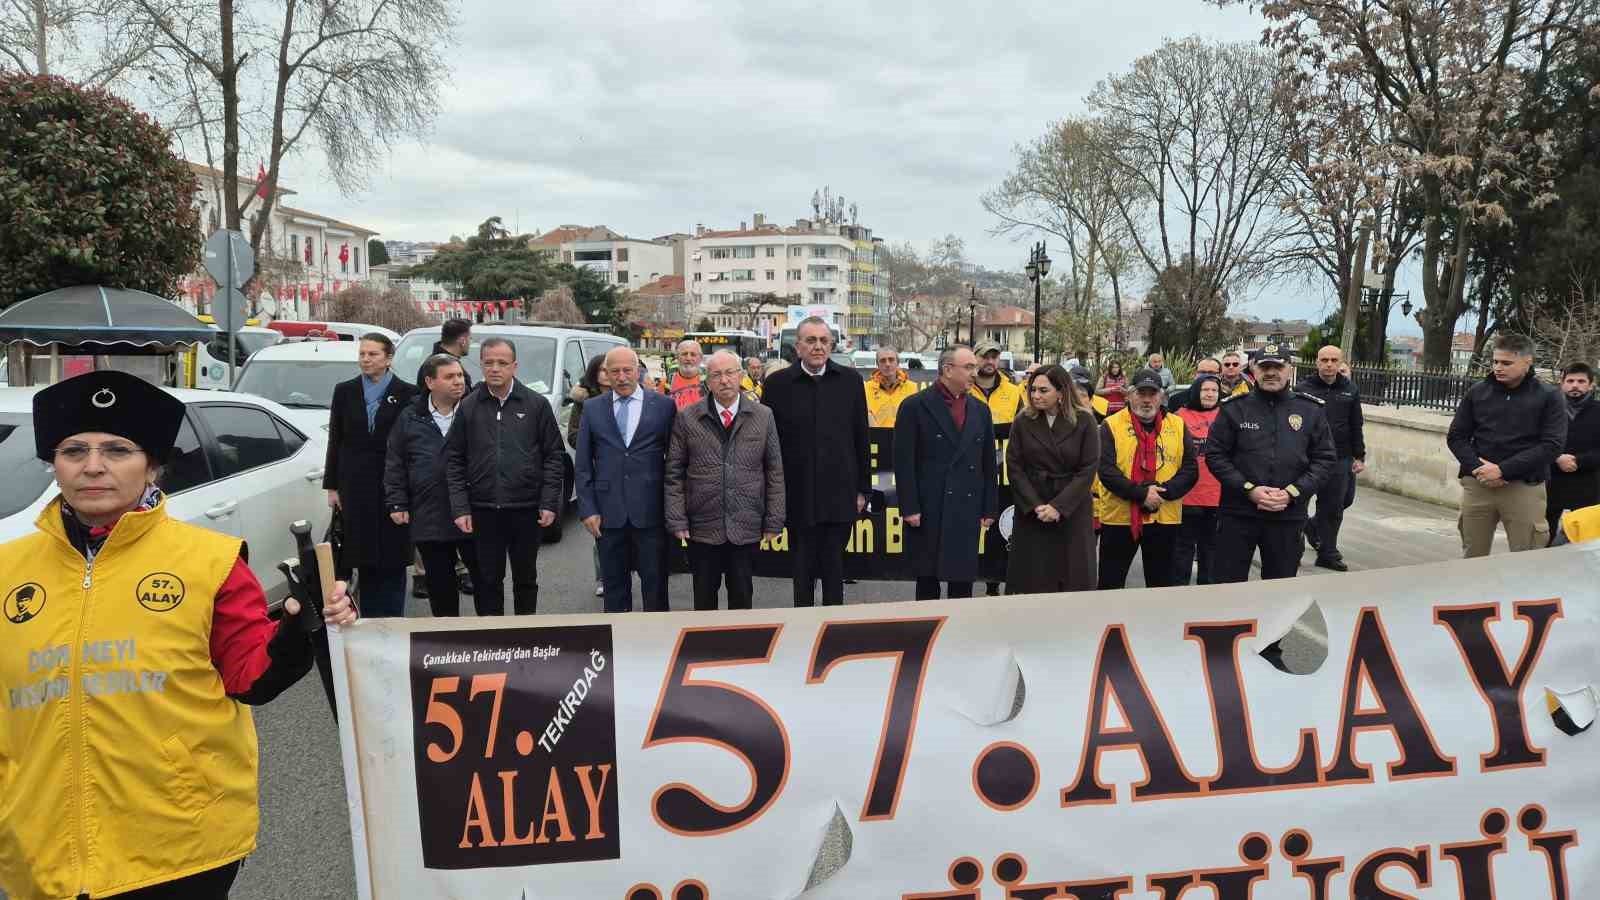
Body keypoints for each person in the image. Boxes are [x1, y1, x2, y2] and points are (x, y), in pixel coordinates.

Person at [0, 370, 354, 900]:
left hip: (179, 844)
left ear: (153, 467)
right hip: (36, 841)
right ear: (55, 464)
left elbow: (251, 678)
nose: (93, 466)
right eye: (75, 450)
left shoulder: (207, 561)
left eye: (117, 450)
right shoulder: (8, 568)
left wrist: (298, 630)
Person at [445, 337, 565, 615]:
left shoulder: (536, 405)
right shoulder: (469, 406)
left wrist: (548, 503)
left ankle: (525, 637)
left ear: (515, 366)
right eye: (488, 363)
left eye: (502, 363)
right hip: (484, 511)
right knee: (487, 581)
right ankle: (493, 640)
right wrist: (461, 508)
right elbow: (454, 460)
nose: (495, 368)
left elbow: (553, 457)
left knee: (526, 579)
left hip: (526, 510)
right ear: (481, 365)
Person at [1206, 345, 1339, 582]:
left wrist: (1292, 492)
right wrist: (1249, 490)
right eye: (1264, 366)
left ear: (1289, 370)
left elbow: (1325, 459)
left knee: (1279, 593)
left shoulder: (1310, 410)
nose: (1271, 373)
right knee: (1226, 588)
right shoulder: (1234, 408)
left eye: (1277, 366)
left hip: (1287, 516)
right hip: (1238, 513)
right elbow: (1216, 455)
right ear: (1254, 370)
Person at [762, 316, 870, 606]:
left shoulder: (850, 381)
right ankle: (803, 634)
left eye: (824, 341)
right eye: (811, 340)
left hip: (840, 495)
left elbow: (861, 437)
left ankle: (832, 634)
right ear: (797, 347)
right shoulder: (777, 385)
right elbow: (768, 446)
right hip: (797, 496)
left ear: (831, 345)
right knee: (802, 574)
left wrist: (863, 490)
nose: (818, 346)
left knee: (835, 574)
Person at [665, 351, 785, 609]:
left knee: (742, 599)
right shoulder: (687, 417)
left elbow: (774, 471)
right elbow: (674, 471)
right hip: (702, 526)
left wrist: (774, 520)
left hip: (746, 524)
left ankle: (740, 649)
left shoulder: (763, 416)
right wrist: (677, 517)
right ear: (706, 380)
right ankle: (704, 649)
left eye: (730, 373)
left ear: (740, 376)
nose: (724, 380)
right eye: (716, 374)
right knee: (704, 601)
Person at [1446, 333, 1567, 556]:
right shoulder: (1478, 392)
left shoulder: (1549, 397)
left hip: (1524, 487)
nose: (1498, 367)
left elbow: (1552, 445)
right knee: (1473, 554)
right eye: (1495, 362)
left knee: (1526, 556)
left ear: (1527, 361)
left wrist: (1503, 470)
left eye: (1506, 363)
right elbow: (1456, 436)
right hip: (1479, 484)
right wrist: (1478, 468)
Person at [576, 346, 677, 613]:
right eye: (615, 371)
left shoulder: (664, 406)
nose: (621, 377)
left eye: (627, 370)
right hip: (608, 514)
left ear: (638, 371)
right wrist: (588, 509)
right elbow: (584, 464)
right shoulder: (592, 408)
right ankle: (618, 646)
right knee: (615, 589)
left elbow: (675, 462)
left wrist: (674, 510)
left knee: (655, 587)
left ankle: (658, 645)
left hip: (651, 512)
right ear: (606, 374)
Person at [325, 333, 419, 616]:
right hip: (355, 485)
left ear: (388, 358)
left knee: (391, 557)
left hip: (393, 486)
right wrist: (332, 486)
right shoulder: (345, 391)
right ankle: (367, 620)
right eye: (362, 354)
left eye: (373, 354)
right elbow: (335, 439)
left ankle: (391, 619)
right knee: (362, 554)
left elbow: (412, 445)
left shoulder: (408, 394)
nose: (365, 359)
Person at [894, 346, 998, 599]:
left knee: (962, 582)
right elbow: (903, 462)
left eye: (974, 366)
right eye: (969, 367)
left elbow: (987, 463)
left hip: (966, 506)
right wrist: (910, 507)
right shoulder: (914, 406)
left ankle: (959, 634)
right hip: (930, 507)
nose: (975, 373)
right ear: (947, 370)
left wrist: (989, 508)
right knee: (927, 580)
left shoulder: (980, 410)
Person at [386, 353, 485, 617]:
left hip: (474, 511)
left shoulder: (477, 410)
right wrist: (397, 502)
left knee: (485, 581)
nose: (458, 382)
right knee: (440, 585)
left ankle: (490, 639)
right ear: (430, 382)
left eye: (460, 375)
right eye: (449, 377)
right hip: (429, 513)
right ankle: (448, 643)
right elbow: (395, 461)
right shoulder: (410, 416)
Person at [1096, 369, 1198, 589]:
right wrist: (1141, 494)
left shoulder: (1178, 425)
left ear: (1161, 396)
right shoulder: (1111, 425)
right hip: (1120, 518)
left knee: (1161, 585)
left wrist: (1162, 492)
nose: (1146, 399)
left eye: (1152, 394)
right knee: (1110, 584)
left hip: (1164, 516)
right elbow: (1106, 470)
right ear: (1130, 395)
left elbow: (1190, 469)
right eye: (1141, 393)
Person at [1006, 365, 1100, 593]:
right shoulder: (1022, 421)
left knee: (1072, 574)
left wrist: (1059, 507)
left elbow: (1088, 469)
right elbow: (1015, 466)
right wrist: (1036, 505)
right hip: (1033, 510)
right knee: (1033, 575)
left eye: (1043, 390)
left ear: (1061, 392)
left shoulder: (1085, 421)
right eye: (1033, 390)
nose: (1036, 395)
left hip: (1072, 509)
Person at [1296, 345, 1367, 571]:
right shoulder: (1302, 389)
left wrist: (1359, 455)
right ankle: (1293, 550)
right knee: (1297, 505)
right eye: (1324, 360)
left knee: (1333, 508)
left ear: (1340, 362)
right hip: (1305, 458)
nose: (1329, 364)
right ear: (1317, 362)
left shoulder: (1350, 390)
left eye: (1334, 360)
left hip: (1340, 457)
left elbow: (1356, 424)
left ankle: (1327, 552)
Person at [1172, 373, 1223, 584]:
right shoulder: (1179, 416)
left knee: (1211, 550)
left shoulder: (1226, 414)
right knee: (1182, 550)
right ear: (1195, 391)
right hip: (1187, 496)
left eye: (1214, 390)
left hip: (1218, 496)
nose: (1210, 394)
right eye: (1205, 389)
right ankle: (1179, 594)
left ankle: (1207, 597)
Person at [567, 354, 610, 596]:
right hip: (595, 468)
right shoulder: (583, 402)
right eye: (601, 370)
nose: (606, 374)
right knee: (600, 528)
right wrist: (592, 441)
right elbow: (573, 435)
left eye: (609, 369)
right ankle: (603, 577)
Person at [1546, 362, 1600, 542]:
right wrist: (1557, 458)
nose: (1575, 385)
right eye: (1570, 380)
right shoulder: (1547, 410)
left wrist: (1578, 461)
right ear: (1562, 383)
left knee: (1584, 541)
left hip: (1588, 484)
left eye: (1581, 381)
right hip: (1550, 482)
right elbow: (1534, 442)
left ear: (1592, 384)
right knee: (1543, 538)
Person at [866, 345, 919, 428]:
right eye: (883, 361)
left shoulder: (912, 388)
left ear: (897, 362)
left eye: (891, 360)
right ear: (877, 364)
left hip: (903, 439)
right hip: (876, 439)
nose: (887, 364)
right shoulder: (866, 388)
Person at [416, 317, 472, 390]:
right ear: (462, 341)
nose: (470, 342)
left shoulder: (435, 362)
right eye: (470, 338)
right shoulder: (435, 366)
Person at [663, 339, 707, 411]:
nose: (688, 358)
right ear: (677, 357)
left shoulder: (710, 383)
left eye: (693, 354)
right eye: (684, 354)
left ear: (701, 358)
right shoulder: (666, 383)